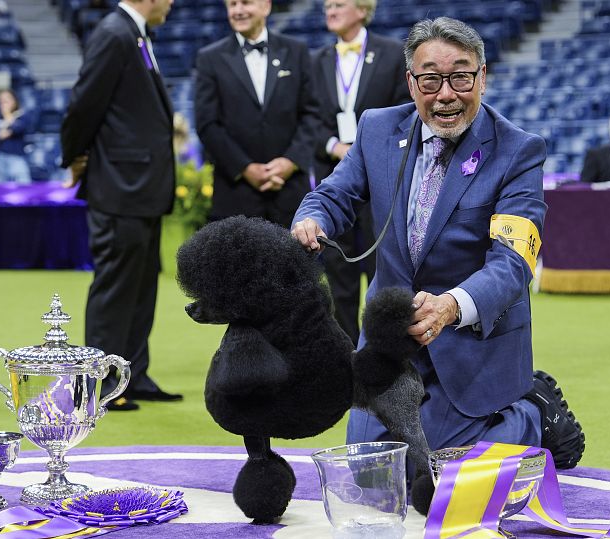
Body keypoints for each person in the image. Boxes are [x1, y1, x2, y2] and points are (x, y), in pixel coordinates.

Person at [292, 17, 584, 470]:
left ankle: (529, 412)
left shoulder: (519, 151)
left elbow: (512, 263)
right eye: (430, 79)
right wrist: (313, 218)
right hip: (390, 340)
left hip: (470, 341)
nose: (446, 94)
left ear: (482, 77)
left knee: (436, 472)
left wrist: (450, 306)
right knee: (369, 473)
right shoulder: (376, 129)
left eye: (461, 76)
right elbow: (335, 194)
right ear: (411, 83)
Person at [60, 0, 180, 412]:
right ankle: (98, 386)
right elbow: (83, 104)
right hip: (120, 186)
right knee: (115, 287)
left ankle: (133, 374)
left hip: (140, 186)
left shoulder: (134, 32)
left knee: (141, 284)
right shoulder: (115, 33)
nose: (171, 3)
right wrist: (73, 157)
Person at [312, 0, 409, 344]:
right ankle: (348, 361)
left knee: (384, 274)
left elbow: (404, 110)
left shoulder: (393, 53)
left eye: (339, 4)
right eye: (327, 6)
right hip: (335, 177)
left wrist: (367, 149)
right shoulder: (316, 60)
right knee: (338, 279)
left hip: (383, 180)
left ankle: (388, 358)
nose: (330, 10)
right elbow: (309, 117)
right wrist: (333, 147)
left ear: (362, 9)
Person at [193, 0, 318, 228]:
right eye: (232, 5)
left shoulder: (297, 51)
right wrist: (245, 168)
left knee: (294, 263)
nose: (238, 11)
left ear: (266, 6)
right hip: (235, 195)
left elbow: (312, 113)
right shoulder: (208, 58)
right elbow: (207, 124)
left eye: (246, 3)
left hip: (290, 192)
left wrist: (290, 162)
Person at [0, 90, 31, 184]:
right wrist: (6, 130)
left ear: (14, 101)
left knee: (23, 187)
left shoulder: (22, 116)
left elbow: (17, 129)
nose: (3, 104)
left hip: (17, 157)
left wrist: (8, 116)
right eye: (1, 101)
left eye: (6, 100)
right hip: (0, 157)